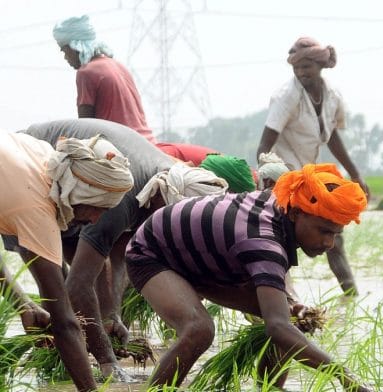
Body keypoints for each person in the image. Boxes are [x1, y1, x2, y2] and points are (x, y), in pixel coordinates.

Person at [12, 118, 228, 381]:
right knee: (56, 288)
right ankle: (77, 352)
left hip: (59, 175)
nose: (167, 235)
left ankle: (70, 341)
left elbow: (113, 257)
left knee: (71, 283)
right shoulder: (115, 197)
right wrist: (107, 359)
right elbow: (79, 283)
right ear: (162, 204)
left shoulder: (163, 181)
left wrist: (110, 313)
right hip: (38, 171)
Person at [125, 163, 372, 390]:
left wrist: (290, 305)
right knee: (199, 329)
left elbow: (279, 313)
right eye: (324, 231)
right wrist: (343, 375)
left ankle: (268, 388)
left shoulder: (281, 208)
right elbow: (277, 327)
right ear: (296, 213)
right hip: (152, 252)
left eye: (335, 234)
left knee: (290, 318)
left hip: (203, 259)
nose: (329, 243)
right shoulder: (263, 240)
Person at [0, 131, 133, 391]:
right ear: (79, 191)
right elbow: (64, 322)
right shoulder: (35, 205)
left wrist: (23, 304)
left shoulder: (43, 158)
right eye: (98, 209)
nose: (95, 220)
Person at [257, 37, 369, 296]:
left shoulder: (332, 96)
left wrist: (355, 174)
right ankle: (287, 302)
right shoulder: (286, 97)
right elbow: (263, 147)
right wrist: (273, 183)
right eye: (297, 67)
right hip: (284, 179)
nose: (301, 72)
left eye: (306, 67)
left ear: (320, 66)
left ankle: (351, 296)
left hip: (310, 177)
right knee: (278, 240)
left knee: (334, 235)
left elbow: (332, 136)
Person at [53, 15, 156, 143]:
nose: (65, 57)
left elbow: (85, 126)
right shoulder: (119, 66)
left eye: (64, 51)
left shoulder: (86, 72)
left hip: (120, 145)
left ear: (75, 48)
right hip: (148, 142)